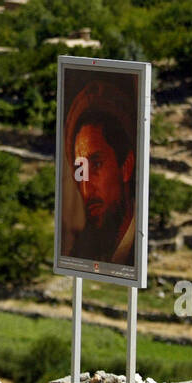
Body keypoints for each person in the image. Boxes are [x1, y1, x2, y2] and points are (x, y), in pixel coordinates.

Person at [63, 78, 136, 267]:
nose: (86, 190)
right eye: (80, 169)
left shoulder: (136, 249)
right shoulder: (81, 251)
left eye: (96, 165)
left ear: (126, 166)